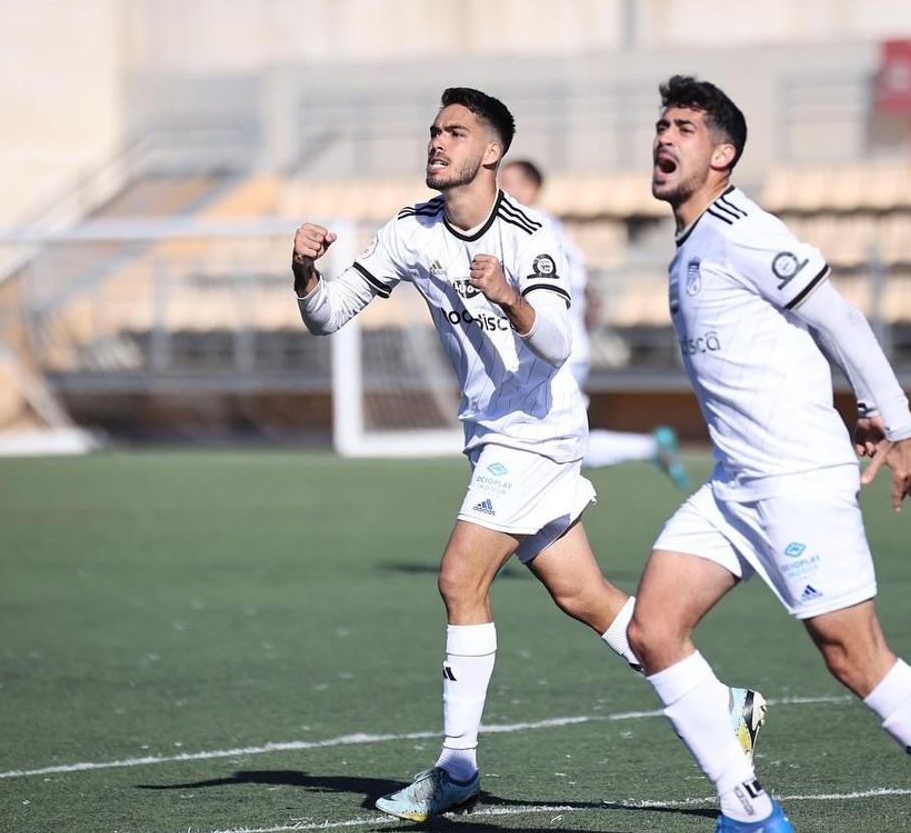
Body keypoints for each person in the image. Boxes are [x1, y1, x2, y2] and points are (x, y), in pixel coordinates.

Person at [292, 87, 764, 822]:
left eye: (454, 132)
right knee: (585, 596)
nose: (436, 142)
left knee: (459, 579)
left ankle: (456, 768)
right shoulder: (411, 231)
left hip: (536, 433)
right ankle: (722, 704)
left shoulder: (532, 235)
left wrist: (510, 297)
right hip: (492, 435)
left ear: (491, 152)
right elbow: (326, 317)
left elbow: (558, 342)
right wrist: (304, 273)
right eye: (433, 131)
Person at [623, 75, 911, 833]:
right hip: (735, 486)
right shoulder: (689, 248)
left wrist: (901, 425)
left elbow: (841, 320)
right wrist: (857, 411)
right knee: (653, 630)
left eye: (684, 128)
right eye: (661, 125)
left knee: (854, 657)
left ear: (723, 154)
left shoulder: (744, 231)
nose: (664, 137)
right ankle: (749, 810)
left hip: (796, 484)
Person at [499, 158, 692, 489]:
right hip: (563, 347)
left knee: (544, 440)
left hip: (550, 351)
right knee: (556, 438)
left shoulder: (529, 227)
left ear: (531, 188)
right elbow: (589, 293)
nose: (502, 189)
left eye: (509, 182)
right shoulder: (552, 229)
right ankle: (650, 447)